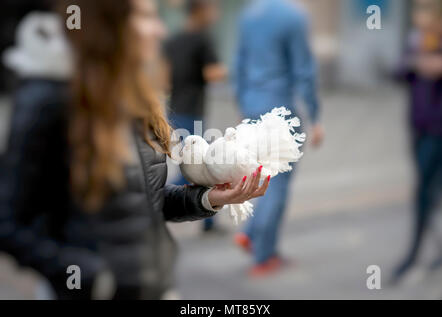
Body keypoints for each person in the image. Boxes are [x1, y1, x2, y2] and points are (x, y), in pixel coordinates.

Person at [0, 0, 269, 299]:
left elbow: (144, 203)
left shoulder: (134, 95)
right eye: (145, 16)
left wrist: (208, 198)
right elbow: (8, 220)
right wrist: (82, 274)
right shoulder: (50, 97)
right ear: (105, 21)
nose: (159, 29)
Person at [233, 0, 324, 276]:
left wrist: (242, 106)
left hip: (253, 107)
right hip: (280, 110)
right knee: (278, 182)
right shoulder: (294, 17)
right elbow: (304, 70)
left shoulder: (248, 15)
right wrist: (315, 116)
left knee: (265, 176)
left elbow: (239, 64)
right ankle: (263, 255)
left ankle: (252, 234)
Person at [391, 0, 442, 283]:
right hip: (421, 128)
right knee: (427, 194)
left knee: (428, 194)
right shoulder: (416, 42)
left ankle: (415, 254)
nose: (420, 16)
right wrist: (416, 61)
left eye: (426, 9)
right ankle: (434, 250)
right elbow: (399, 73)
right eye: (418, 10)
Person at [164, 0, 227, 233]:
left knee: (194, 165)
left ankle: (209, 221)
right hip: (193, 111)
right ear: (200, 11)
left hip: (174, 110)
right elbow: (213, 74)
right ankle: (152, 205)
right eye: (212, 7)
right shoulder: (203, 39)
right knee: (194, 168)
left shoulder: (173, 40)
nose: (215, 12)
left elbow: (164, 77)